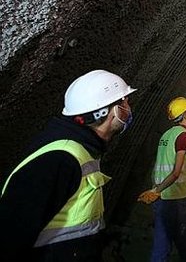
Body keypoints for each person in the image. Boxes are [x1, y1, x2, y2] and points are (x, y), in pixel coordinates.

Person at [0, 69, 136, 260]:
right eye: (124, 102)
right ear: (110, 111)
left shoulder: (80, 151)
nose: (128, 107)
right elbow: (9, 237)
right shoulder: (59, 159)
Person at [139, 97, 186, 262]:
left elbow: (158, 164)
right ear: (184, 114)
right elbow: (176, 172)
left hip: (161, 198)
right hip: (175, 198)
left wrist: (154, 190)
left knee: (161, 245)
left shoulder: (167, 134)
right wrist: (158, 190)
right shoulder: (185, 135)